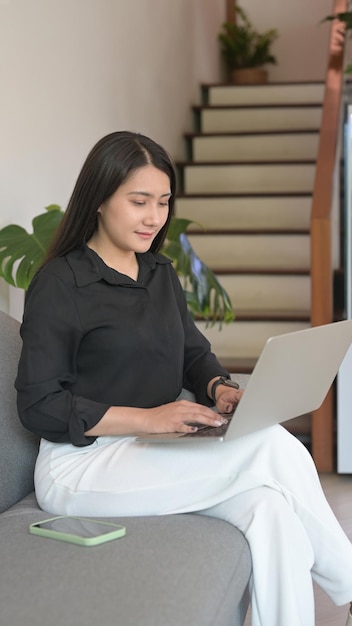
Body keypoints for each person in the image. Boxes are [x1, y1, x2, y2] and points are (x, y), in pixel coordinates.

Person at [15, 130, 352, 626]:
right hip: (81, 466)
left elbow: (195, 353)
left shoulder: (158, 273)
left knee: (269, 510)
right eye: (139, 201)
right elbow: (39, 404)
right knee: (274, 448)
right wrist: (150, 420)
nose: (154, 217)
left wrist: (219, 387)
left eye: (163, 202)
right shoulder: (60, 284)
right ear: (100, 200)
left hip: (152, 450)